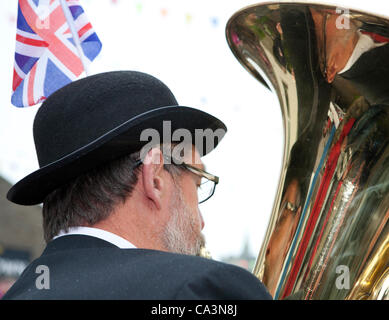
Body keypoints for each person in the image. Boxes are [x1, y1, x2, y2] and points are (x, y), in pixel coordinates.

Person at [2, 70, 271, 299]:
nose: (201, 222)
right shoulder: (203, 288)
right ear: (155, 178)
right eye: (198, 184)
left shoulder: (19, 293)